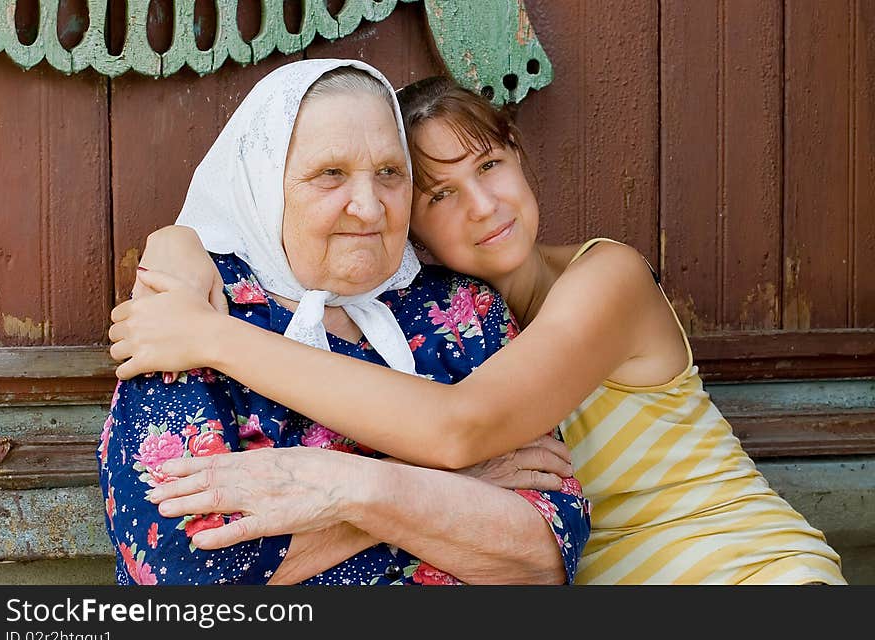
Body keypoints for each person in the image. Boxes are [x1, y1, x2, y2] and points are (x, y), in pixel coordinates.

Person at [112, 74, 846, 585]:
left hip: (747, 570)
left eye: (490, 164)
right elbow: (182, 572)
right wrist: (177, 241)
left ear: (520, 157)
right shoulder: (454, 319)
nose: (484, 204)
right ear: (413, 231)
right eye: (439, 192)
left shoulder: (605, 281)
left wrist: (211, 339)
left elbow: (463, 432)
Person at [98, 59, 591, 586]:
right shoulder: (199, 307)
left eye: (388, 173)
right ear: (264, 183)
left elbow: (547, 550)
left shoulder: (463, 310)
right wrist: (450, 485)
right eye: (330, 174)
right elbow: (185, 574)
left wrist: (353, 491)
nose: (368, 207)